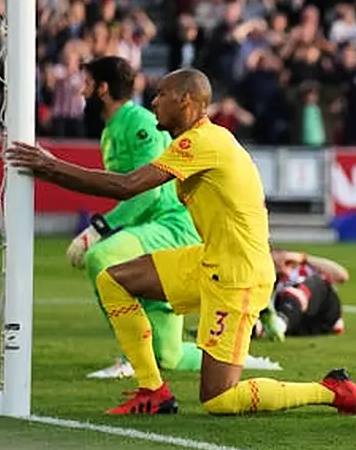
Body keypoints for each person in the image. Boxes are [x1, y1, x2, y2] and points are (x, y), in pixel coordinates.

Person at [6, 68, 356, 416]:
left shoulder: (203, 142)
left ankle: (330, 389)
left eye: (161, 94)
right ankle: (152, 389)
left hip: (238, 275)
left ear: (186, 100)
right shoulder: (195, 141)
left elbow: (126, 186)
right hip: (209, 260)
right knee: (113, 279)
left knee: (219, 400)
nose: (153, 101)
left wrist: (50, 167)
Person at [72, 57, 277, 380]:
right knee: (167, 354)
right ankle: (156, 383)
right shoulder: (112, 129)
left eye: (161, 94)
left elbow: (139, 189)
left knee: (102, 257)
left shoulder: (148, 125)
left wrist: (97, 226)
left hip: (174, 228)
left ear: (103, 88)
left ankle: (131, 358)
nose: (153, 102)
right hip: (187, 244)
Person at [255, 250, 350, 341]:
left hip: (324, 314)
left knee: (316, 282)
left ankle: (280, 323)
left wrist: (304, 258)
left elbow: (342, 276)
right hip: (298, 323)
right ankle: (267, 327)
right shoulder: (270, 281)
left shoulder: (305, 268)